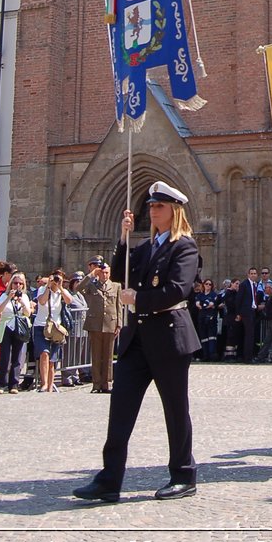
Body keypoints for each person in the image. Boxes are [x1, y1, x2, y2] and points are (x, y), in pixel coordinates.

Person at [73, 180, 200, 503]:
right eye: (150, 206)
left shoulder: (183, 246)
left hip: (169, 338)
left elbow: (178, 289)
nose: (152, 210)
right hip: (137, 339)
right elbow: (118, 274)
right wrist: (123, 237)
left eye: (158, 206)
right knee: (120, 409)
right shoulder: (147, 247)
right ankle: (109, 479)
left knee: (175, 409)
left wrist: (139, 299)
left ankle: (183, 474)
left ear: (173, 210)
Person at [77, 260, 122, 393]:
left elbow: (118, 306)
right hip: (95, 324)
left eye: (107, 273)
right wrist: (91, 275)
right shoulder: (92, 285)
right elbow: (78, 288)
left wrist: (119, 324)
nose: (104, 275)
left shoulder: (116, 286)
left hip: (110, 323)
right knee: (96, 355)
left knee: (108, 356)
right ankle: (96, 384)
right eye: (102, 273)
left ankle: (107, 384)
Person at [32, 267, 73, 393]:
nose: (56, 280)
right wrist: (49, 287)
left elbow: (69, 300)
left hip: (56, 328)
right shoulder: (42, 289)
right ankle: (44, 384)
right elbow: (42, 302)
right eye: (55, 277)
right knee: (44, 353)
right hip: (41, 326)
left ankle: (50, 386)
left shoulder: (62, 292)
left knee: (52, 359)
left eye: (59, 278)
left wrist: (60, 287)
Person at [0, 272, 32, 393]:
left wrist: (22, 302)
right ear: (11, 284)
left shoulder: (25, 296)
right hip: (6, 326)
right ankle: (1, 384)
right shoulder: (4, 296)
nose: (18, 285)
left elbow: (28, 313)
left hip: (19, 326)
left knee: (17, 356)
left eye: (21, 283)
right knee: (5, 356)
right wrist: (9, 298)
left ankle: (14, 384)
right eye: (15, 283)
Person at [235, 267, 264, 362]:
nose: (253, 275)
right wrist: (238, 313)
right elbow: (239, 299)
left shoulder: (255, 285)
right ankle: (248, 358)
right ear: (248, 275)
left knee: (251, 335)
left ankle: (249, 355)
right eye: (251, 273)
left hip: (253, 311)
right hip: (246, 312)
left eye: (255, 273)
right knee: (249, 335)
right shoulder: (244, 285)